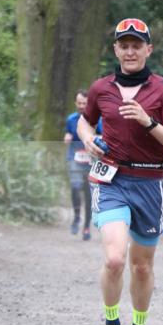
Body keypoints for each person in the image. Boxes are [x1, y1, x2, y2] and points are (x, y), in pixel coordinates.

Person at [77, 18, 163, 325]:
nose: (130, 50)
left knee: (141, 266)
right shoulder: (101, 88)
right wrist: (87, 138)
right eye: (124, 44)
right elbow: (85, 120)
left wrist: (148, 122)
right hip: (111, 180)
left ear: (148, 49)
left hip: (151, 183)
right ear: (116, 50)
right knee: (114, 259)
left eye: (137, 45)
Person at [64, 90, 101, 240]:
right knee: (75, 187)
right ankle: (76, 217)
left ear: (89, 104)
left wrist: (91, 138)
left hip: (91, 161)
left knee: (88, 194)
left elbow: (104, 137)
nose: (81, 106)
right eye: (79, 103)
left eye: (84, 104)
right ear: (75, 103)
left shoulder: (98, 120)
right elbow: (69, 133)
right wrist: (68, 136)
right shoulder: (71, 119)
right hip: (75, 158)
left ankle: (86, 227)